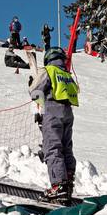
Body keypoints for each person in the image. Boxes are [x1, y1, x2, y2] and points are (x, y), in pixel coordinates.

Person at [28, 44, 79, 202]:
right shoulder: (66, 74)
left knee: (52, 148)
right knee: (66, 148)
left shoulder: (49, 71)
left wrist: (32, 86)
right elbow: (75, 91)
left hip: (52, 111)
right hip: (68, 113)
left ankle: (58, 185)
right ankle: (67, 182)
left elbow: (36, 90)